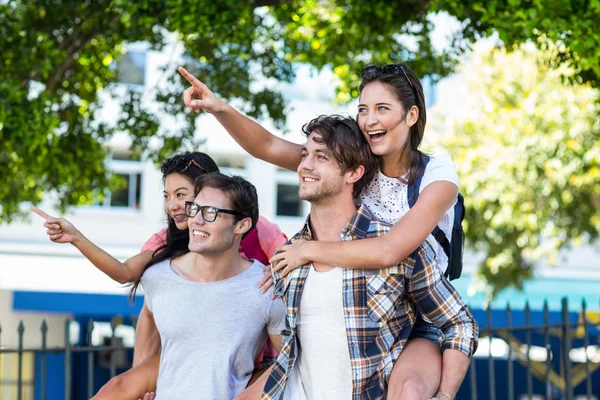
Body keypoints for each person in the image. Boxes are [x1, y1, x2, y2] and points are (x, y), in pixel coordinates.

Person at [179, 63, 465, 399]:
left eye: (382, 109)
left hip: (420, 314)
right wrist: (219, 108)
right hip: (366, 300)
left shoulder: (436, 173)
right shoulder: (359, 163)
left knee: (410, 391)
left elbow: (391, 249)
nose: (369, 119)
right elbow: (269, 146)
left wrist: (306, 251)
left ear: (412, 115)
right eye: (363, 109)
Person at [234, 114, 477, 400]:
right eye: (304, 155)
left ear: (354, 173)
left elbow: (460, 324)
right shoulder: (289, 256)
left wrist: (444, 395)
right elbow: (285, 351)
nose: (304, 166)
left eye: (321, 157)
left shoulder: (397, 249)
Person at [30, 153, 286, 375]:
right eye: (167, 196)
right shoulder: (165, 242)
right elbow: (125, 273)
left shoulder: (253, 227)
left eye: (181, 195)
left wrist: (274, 270)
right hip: (198, 357)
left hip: (260, 358)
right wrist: (76, 237)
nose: (172, 205)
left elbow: (289, 260)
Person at [93, 172, 286, 399]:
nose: (196, 219)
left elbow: (290, 362)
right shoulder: (158, 277)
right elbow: (149, 325)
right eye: (194, 209)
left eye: (210, 213)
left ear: (241, 225)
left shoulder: (265, 289)